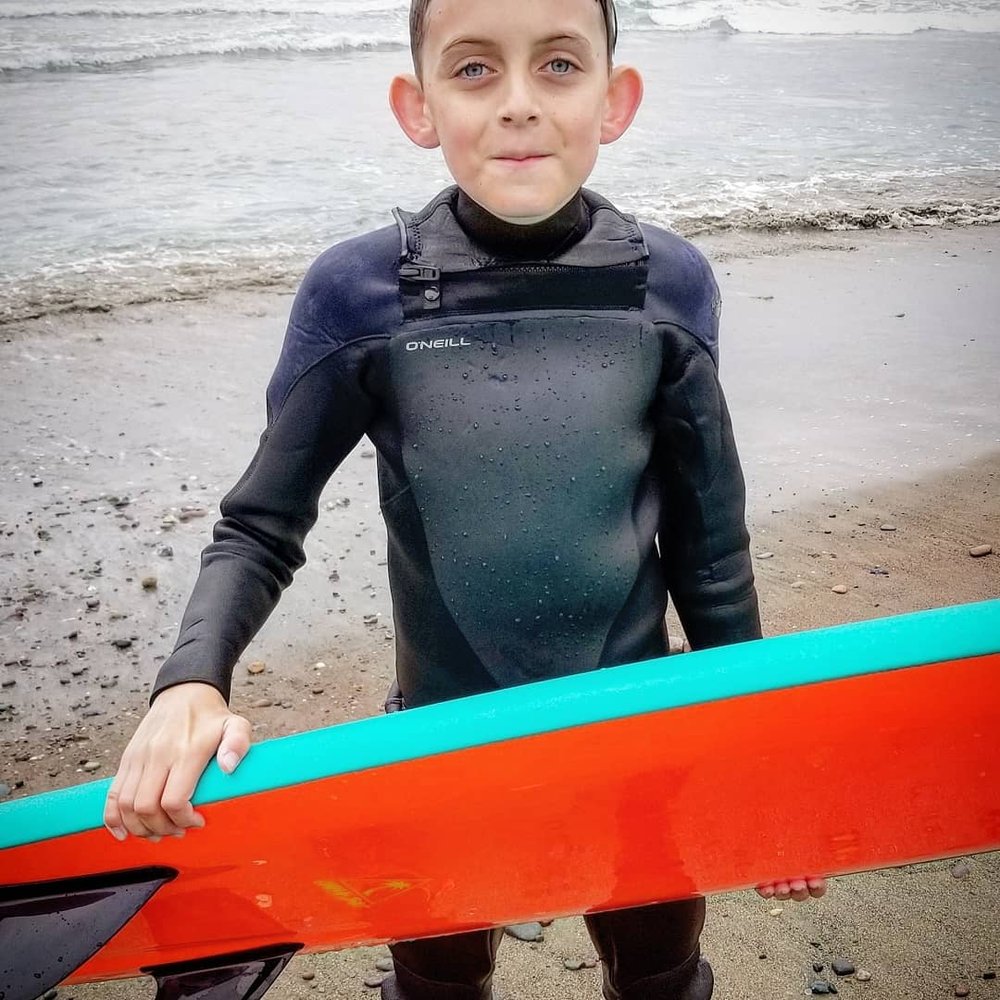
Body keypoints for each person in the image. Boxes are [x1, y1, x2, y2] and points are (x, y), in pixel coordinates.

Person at [104, 0, 825, 997]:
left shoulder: (667, 285)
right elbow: (261, 525)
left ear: (615, 100)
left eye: (559, 64)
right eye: (475, 68)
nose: (518, 103)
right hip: (438, 749)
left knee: (661, 973)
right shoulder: (362, 294)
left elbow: (708, 551)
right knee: (438, 984)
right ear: (419, 106)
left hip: (638, 746)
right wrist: (192, 682)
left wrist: (754, 752)